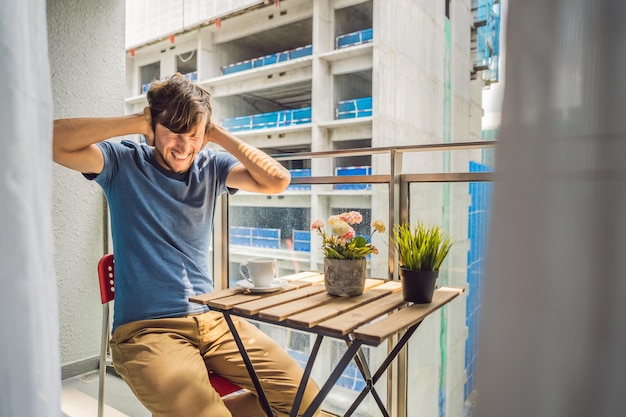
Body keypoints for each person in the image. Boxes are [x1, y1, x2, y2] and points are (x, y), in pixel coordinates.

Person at [53, 73, 320, 417]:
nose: (183, 146)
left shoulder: (211, 166)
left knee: (308, 401)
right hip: (146, 331)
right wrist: (135, 121)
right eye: (173, 133)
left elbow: (278, 180)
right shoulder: (123, 163)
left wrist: (217, 133)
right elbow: (51, 141)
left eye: (194, 134)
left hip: (213, 320)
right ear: (153, 128)